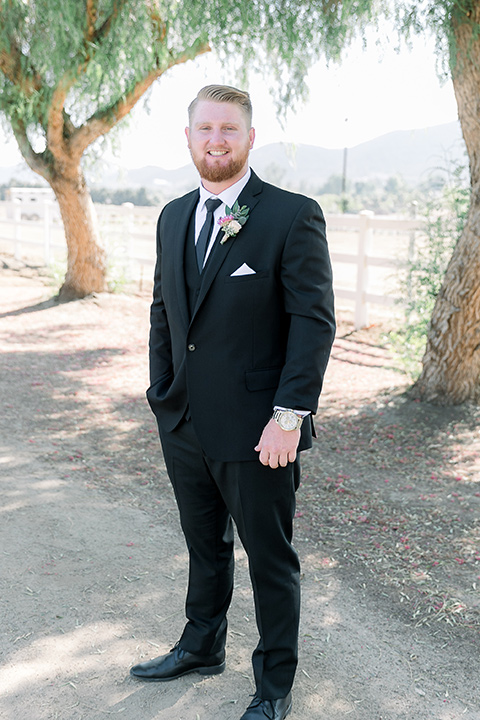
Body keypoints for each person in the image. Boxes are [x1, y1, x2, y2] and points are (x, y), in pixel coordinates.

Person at [130, 84, 336, 720]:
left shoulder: (290, 215)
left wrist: (288, 417)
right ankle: (201, 645)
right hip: (183, 420)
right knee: (203, 545)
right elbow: (166, 312)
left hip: (259, 429)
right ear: (188, 138)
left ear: (249, 138)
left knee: (270, 559)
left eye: (229, 129)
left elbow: (312, 323)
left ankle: (273, 685)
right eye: (204, 129)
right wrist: (162, 394)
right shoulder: (170, 216)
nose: (216, 140)